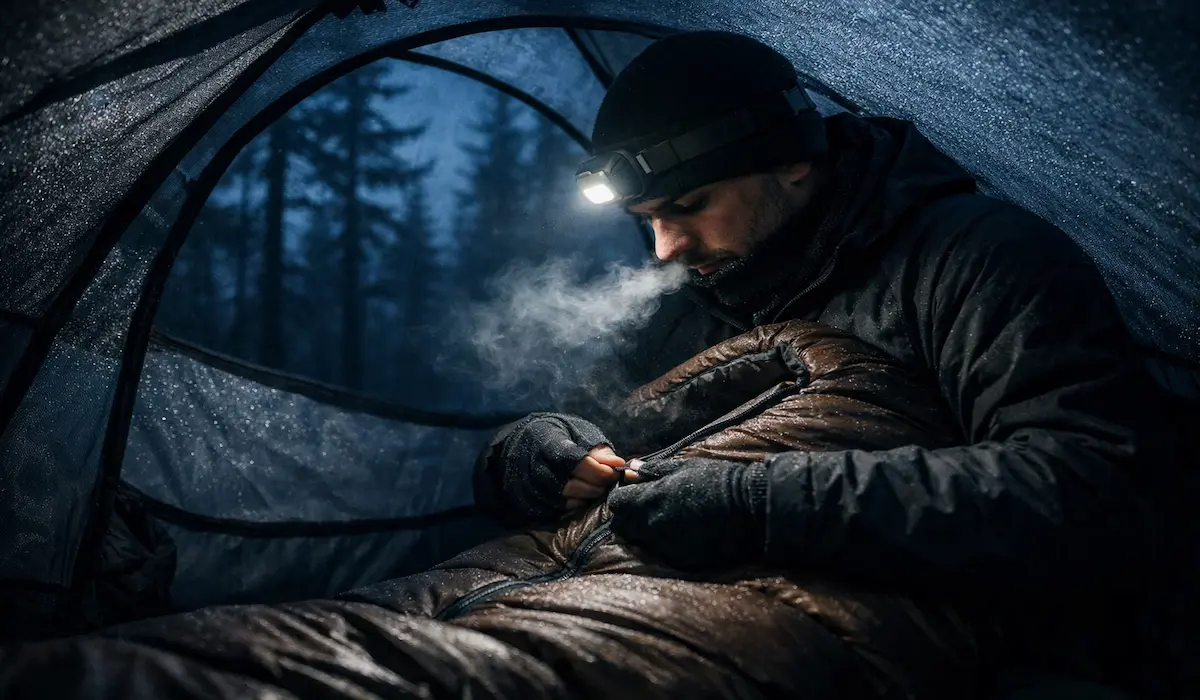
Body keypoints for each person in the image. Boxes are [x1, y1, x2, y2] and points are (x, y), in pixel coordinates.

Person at [473, 30, 1176, 692]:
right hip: (729, 642)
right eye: (647, 220)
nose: (665, 249)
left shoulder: (977, 258)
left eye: (688, 204)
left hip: (993, 657)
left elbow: (1090, 490)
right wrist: (529, 456)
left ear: (791, 160)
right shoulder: (691, 303)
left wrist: (760, 500)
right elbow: (596, 438)